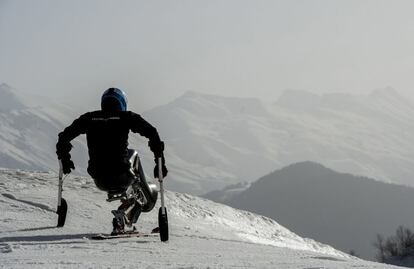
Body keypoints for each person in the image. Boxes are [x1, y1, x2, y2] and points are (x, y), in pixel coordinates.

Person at [56, 88, 168, 234]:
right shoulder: (126, 117)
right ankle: (146, 200)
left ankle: (127, 218)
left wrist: (65, 159)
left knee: (126, 161)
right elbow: (152, 133)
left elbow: (63, 138)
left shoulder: (89, 118)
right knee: (133, 154)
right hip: (121, 175)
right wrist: (160, 161)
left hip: (99, 178)